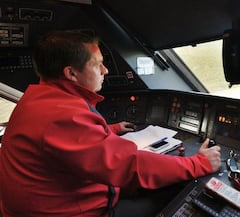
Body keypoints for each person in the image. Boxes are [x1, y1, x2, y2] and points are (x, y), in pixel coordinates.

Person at [0, 31, 221, 217]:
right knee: (176, 196)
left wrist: (112, 129)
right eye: (98, 65)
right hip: (71, 211)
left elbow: (71, 146)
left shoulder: (37, 98)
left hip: (46, 203)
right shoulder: (63, 116)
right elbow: (130, 166)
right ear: (71, 73)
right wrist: (198, 164)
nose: (105, 71)